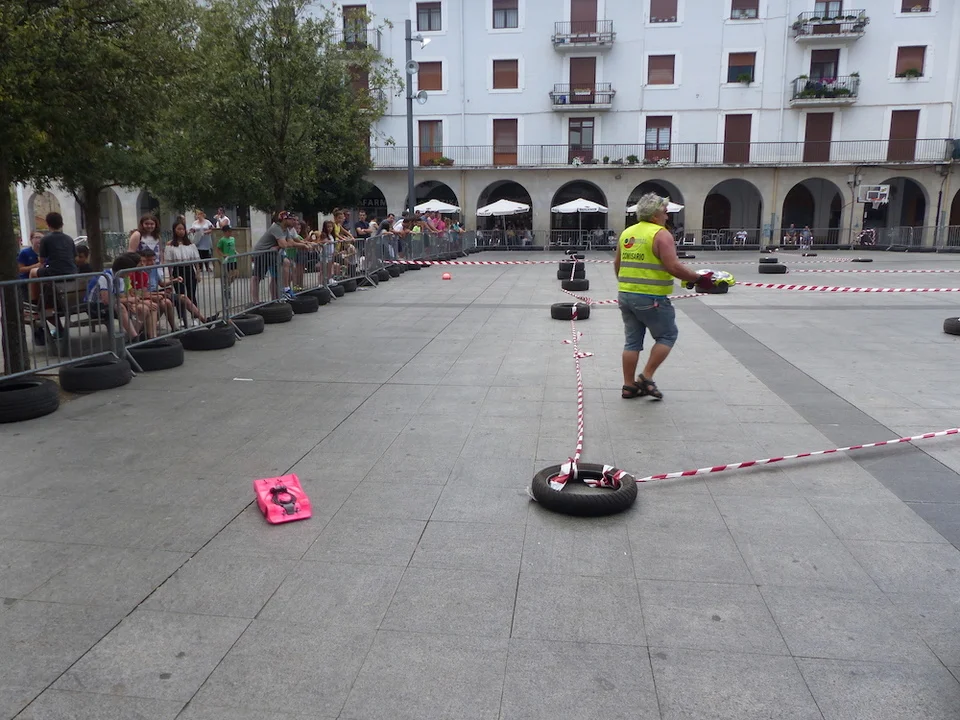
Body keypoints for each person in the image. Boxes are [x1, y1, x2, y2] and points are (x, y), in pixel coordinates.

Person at [616, 193, 703, 401]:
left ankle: (629, 386)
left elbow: (617, 264)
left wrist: (627, 286)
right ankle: (646, 377)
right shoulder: (661, 234)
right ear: (655, 215)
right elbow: (673, 267)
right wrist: (698, 278)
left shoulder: (627, 233)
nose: (667, 216)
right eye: (665, 212)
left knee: (632, 342)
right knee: (667, 336)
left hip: (626, 295)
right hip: (652, 298)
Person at [250, 211, 305, 304]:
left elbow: (291, 242)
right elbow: (284, 244)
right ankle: (256, 301)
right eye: (291, 219)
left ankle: (276, 298)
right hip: (262, 253)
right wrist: (282, 245)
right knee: (256, 277)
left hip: (271, 253)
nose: (294, 221)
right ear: (284, 220)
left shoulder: (286, 230)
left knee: (276, 275)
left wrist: (303, 245)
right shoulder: (276, 228)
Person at [28, 213, 78, 302]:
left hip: (55, 273)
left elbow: (42, 260)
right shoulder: (69, 239)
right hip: (72, 272)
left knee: (32, 272)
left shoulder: (45, 239)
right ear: (62, 224)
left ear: (48, 224)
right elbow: (75, 257)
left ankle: (34, 300)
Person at [216, 225, 239, 305]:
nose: (230, 233)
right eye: (229, 231)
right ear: (225, 232)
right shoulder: (222, 240)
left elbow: (233, 247)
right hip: (227, 260)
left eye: (231, 231)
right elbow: (218, 249)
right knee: (229, 275)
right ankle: (226, 288)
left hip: (233, 259)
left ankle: (227, 286)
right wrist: (223, 255)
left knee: (236, 274)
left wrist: (235, 252)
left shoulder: (232, 239)